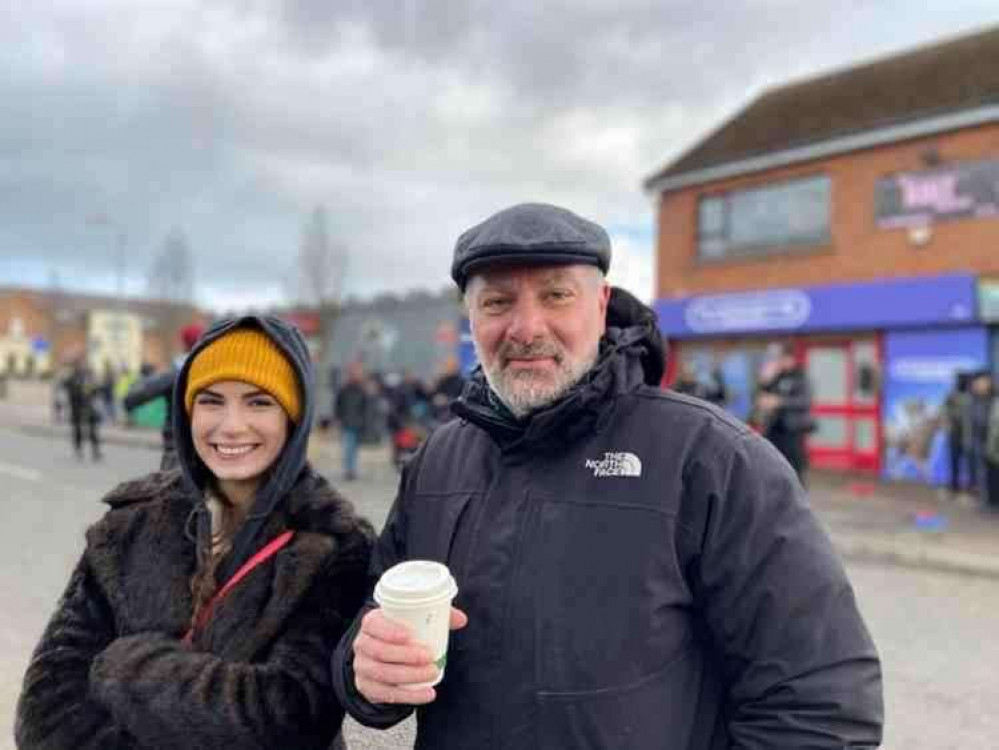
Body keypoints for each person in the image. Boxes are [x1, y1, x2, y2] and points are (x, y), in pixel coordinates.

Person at [331, 203, 883, 749]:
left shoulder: (712, 459)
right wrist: (371, 673)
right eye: (498, 302)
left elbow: (820, 703)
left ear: (600, 306)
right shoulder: (438, 461)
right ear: (470, 321)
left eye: (556, 295)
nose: (526, 328)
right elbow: (374, 624)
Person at [16, 316, 373, 750]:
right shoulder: (129, 523)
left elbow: (291, 715)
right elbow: (45, 710)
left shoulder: (333, 544)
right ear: (188, 411)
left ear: (292, 417)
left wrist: (130, 667)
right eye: (211, 401)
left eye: (259, 402)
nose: (231, 426)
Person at [123, 322, 204, 469]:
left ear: (184, 343)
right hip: (206, 452)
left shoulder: (176, 373)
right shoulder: (212, 373)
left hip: (177, 450)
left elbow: (134, 397)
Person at [753, 343, 814, 484]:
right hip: (773, 430)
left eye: (783, 358)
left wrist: (780, 402)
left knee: (794, 471)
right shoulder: (776, 377)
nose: (780, 362)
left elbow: (804, 401)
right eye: (779, 359)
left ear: (791, 359)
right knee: (771, 466)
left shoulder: (801, 377)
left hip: (792, 431)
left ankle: (798, 502)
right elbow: (760, 398)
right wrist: (763, 382)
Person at [335, 360, 369, 481]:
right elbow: (338, 404)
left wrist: (364, 421)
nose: (355, 375)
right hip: (346, 422)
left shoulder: (362, 390)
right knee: (348, 446)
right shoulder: (344, 389)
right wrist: (338, 418)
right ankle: (349, 470)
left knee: (354, 447)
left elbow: (366, 407)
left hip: (357, 423)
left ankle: (351, 469)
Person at [63, 356, 102, 461]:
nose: (83, 366)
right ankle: (79, 450)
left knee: (93, 429)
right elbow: (67, 388)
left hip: (89, 406)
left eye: (84, 364)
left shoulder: (90, 377)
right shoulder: (72, 377)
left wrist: (93, 391)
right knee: (77, 430)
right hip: (76, 406)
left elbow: (97, 389)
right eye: (80, 364)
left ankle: (96, 451)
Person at [943, 371, 973, 499]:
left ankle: (969, 488)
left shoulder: (971, 396)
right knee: (954, 462)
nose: (961, 382)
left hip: (968, 434)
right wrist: (951, 420)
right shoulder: (951, 396)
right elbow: (945, 411)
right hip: (955, 433)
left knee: (970, 463)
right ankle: (954, 487)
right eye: (959, 380)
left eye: (963, 380)